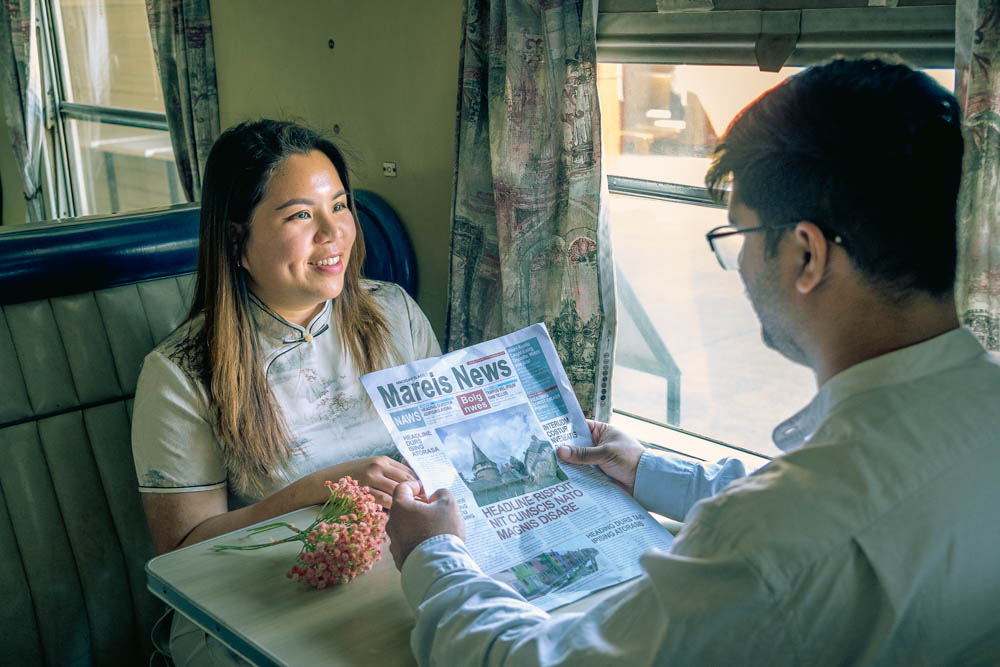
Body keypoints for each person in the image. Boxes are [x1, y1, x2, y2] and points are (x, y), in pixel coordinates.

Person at [385, 57, 1000, 665]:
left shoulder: (773, 536)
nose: (740, 269)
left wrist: (433, 558)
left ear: (807, 255)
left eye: (739, 236)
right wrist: (650, 471)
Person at [131, 120, 440, 664]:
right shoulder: (179, 372)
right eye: (300, 215)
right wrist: (314, 490)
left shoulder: (395, 312)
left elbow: (444, 446)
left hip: (395, 575)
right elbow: (182, 551)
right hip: (251, 605)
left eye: (339, 206)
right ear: (237, 240)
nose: (333, 232)